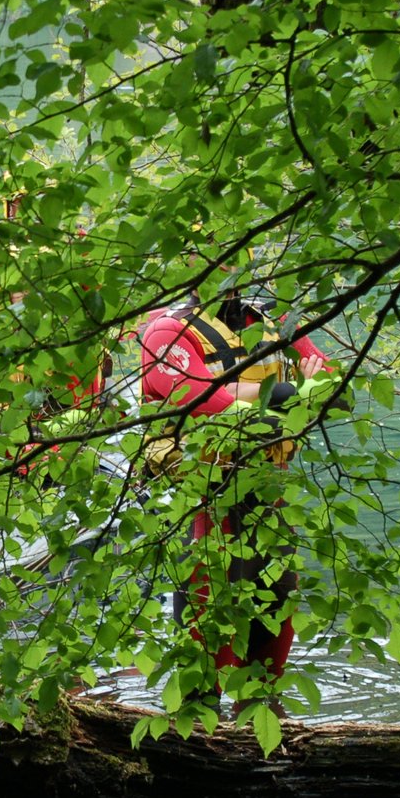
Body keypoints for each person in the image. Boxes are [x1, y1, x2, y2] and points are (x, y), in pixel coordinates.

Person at [138, 286, 337, 695]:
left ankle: (262, 707)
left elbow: (332, 381)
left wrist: (289, 393)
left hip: (268, 482)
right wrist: (291, 394)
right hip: (207, 488)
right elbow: (203, 399)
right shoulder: (166, 331)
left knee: (279, 593)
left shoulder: (274, 319)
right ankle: (199, 708)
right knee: (208, 593)